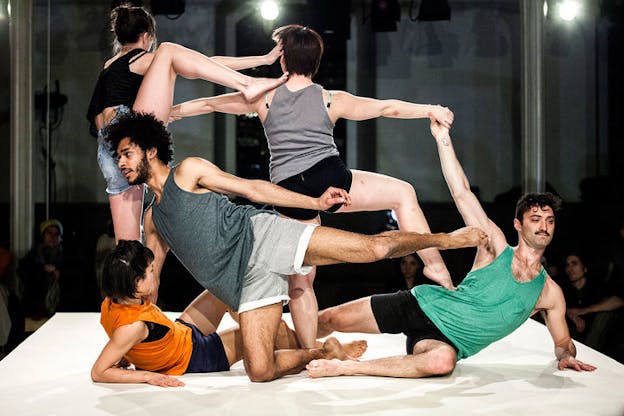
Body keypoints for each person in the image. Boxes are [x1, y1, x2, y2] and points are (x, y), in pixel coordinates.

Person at [104, 88, 485, 382]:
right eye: (118, 157)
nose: (121, 163)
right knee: (259, 370)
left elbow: (254, 189)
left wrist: (313, 200)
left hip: (264, 236)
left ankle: (448, 239)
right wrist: (132, 345)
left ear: (151, 150)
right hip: (244, 284)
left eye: (127, 153)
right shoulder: (153, 220)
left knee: (372, 248)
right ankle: (321, 353)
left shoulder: (188, 171)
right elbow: (147, 285)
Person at [168, 24, 456, 347]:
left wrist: (173, 112)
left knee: (301, 283)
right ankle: (436, 269)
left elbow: (211, 104)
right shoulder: (330, 99)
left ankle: (308, 353)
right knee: (404, 194)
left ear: (283, 61)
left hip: (291, 195)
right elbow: (387, 107)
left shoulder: (264, 99)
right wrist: (429, 109)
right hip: (330, 177)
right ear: (316, 63)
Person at [304, 117, 596, 379]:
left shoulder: (550, 293)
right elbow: (461, 193)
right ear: (519, 225)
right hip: (422, 304)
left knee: (443, 362)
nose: (543, 226)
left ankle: (346, 366)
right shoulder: (494, 245)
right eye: (535, 219)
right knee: (328, 319)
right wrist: (442, 137)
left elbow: (561, 343)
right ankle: (289, 349)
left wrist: (567, 355)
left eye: (549, 220)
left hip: (445, 342)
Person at [86, 4, 286, 242]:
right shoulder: (140, 58)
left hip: (110, 153)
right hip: (129, 132)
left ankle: (126, 277)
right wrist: (264, 59)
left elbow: (96, 117)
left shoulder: (108, 66)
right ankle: (246, 84)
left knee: (127, 245)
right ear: (147, 36)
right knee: (169, 51)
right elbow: (205, 63)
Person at [91, 240, 367, 386]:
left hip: (180, 334)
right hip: (194, 356)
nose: (155, 275)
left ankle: (305, 340)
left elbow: (121, 336)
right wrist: (147, 375)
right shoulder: (134, 327)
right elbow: (99, 372)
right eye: (151, 272)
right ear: (136, 283)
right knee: (258, 337)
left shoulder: (113, 301)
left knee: (226, 291)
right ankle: (324, 352)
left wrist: (130, 353)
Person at [17, 219, 64, 320]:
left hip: (59, 311)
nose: (53, 237)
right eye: (49, 233)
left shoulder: (66, 257)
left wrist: (59, 274)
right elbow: (23, 272)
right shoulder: (33, 256)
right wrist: (42, 269)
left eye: (56, 234)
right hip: (35, 311)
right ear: (42, 236)